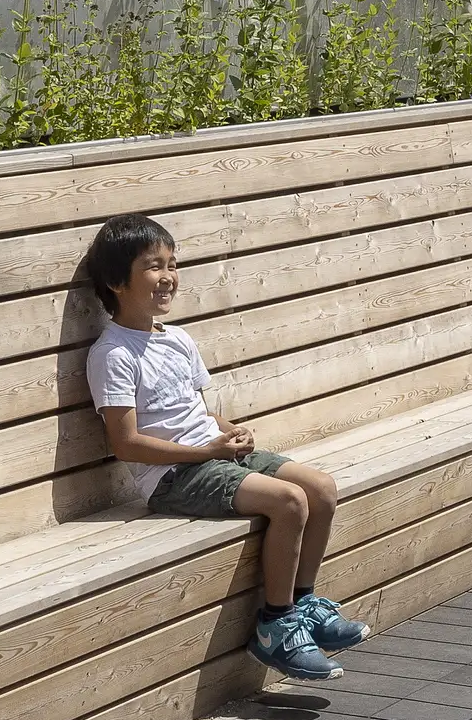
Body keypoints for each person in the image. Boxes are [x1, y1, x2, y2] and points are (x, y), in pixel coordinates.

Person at [79, 216, 364, 684]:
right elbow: (125, 443)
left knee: (322, 488)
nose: (168, 275)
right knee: (289, 501)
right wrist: (206, 453)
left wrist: (233, 433)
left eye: (173, 264)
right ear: (115, 282)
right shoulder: (112, 354)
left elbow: (199, 414)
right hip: (171, 478)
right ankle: (276, 623)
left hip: (211, 456)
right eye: (153, 266)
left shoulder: (177, 339)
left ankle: (305, 602)